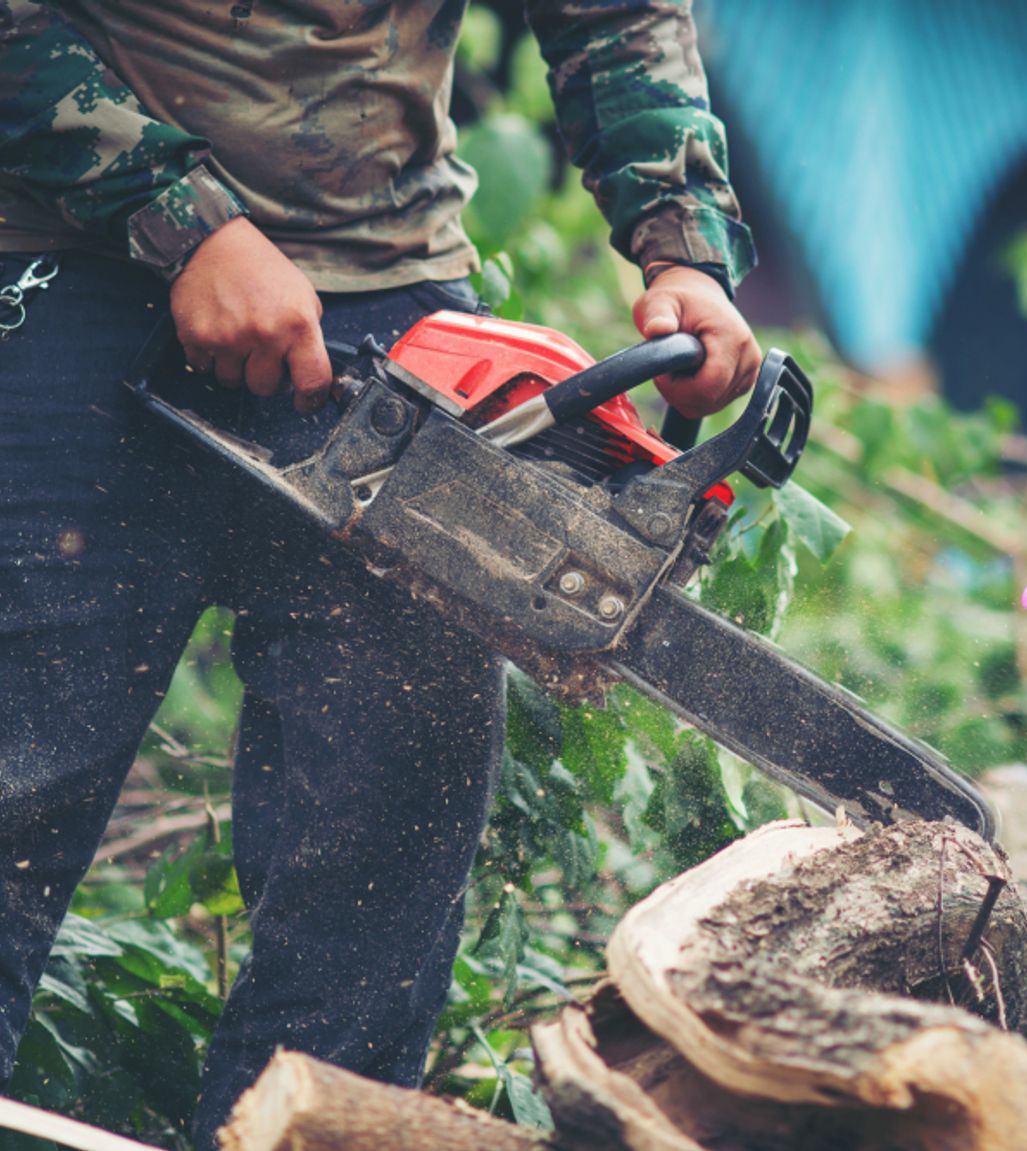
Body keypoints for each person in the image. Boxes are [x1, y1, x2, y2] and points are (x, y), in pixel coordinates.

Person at [0, 1, 759, 1145]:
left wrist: (681, 237)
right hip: (68, 264)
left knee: (377, 863)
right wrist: (184, 221)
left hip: (395, 297)